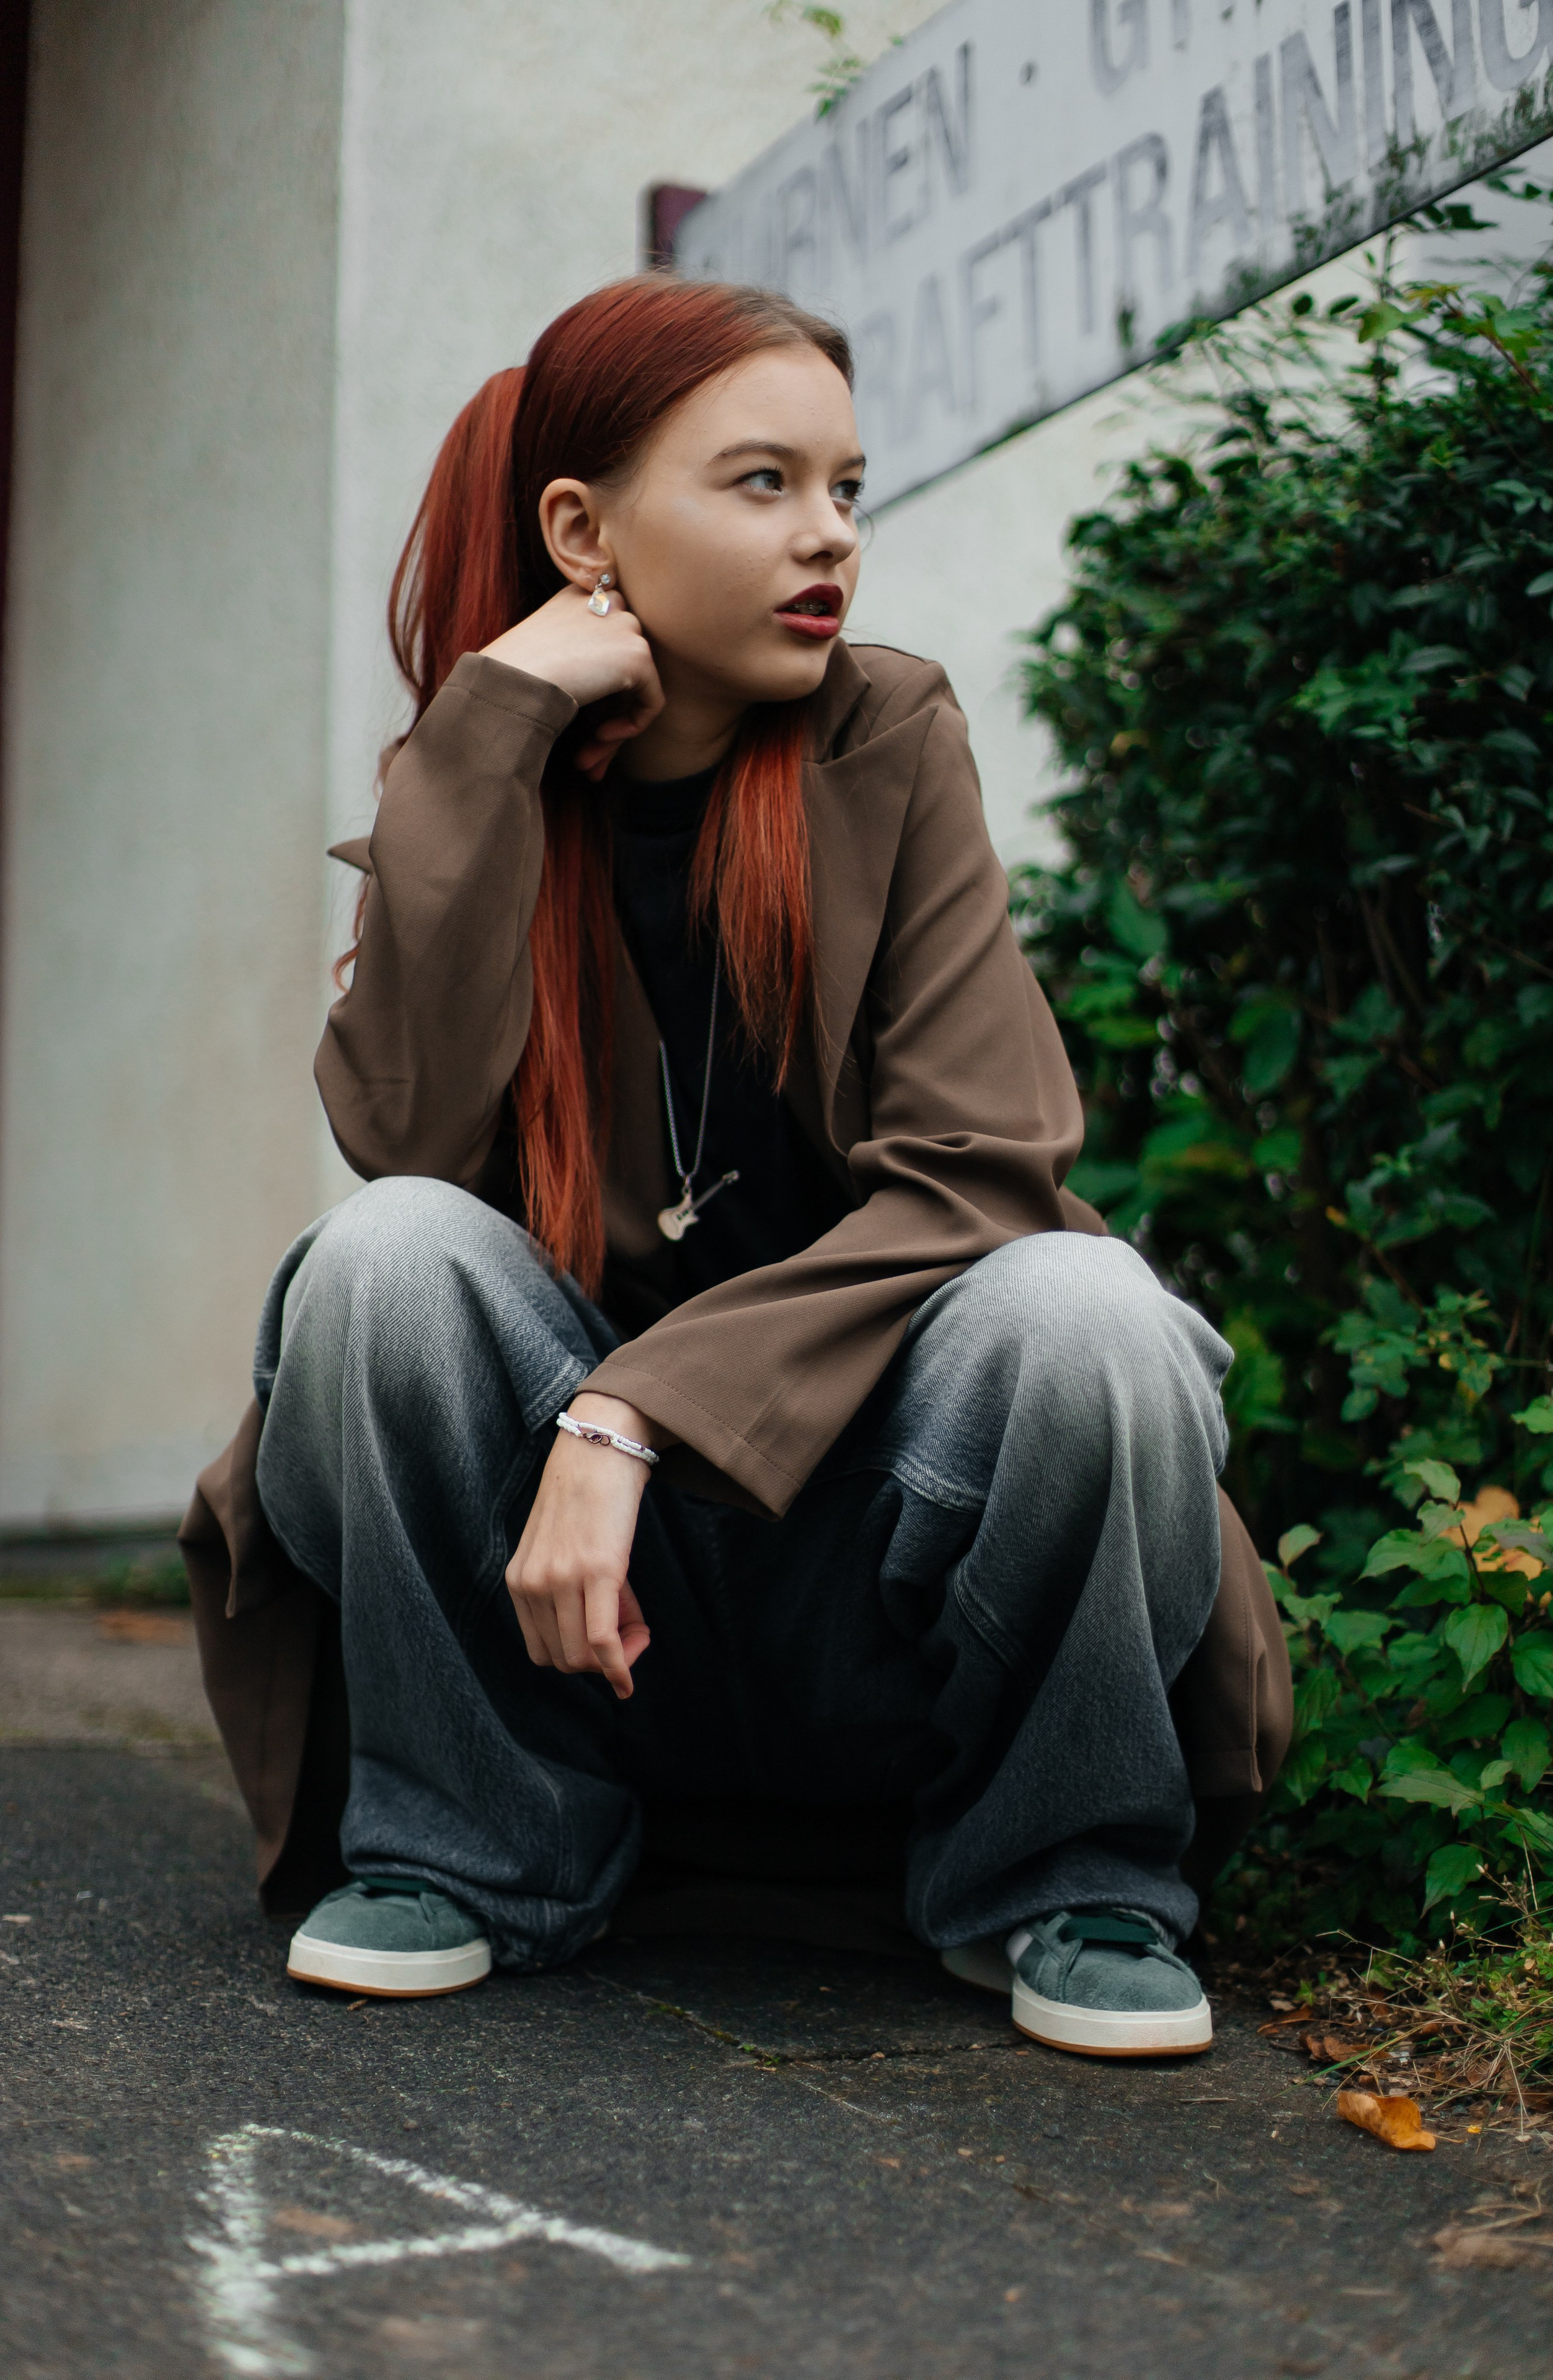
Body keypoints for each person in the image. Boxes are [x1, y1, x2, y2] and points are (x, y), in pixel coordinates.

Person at [181, 275, 1290, 2060]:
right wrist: (485, 732)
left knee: (1086, 1306)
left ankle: (1065, 1876)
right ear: (583, 533)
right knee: (381, 1258)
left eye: (847, 487)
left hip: (872, 1551)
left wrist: (632, 1415)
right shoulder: (480, 788)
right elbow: (402, 1139)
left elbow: (986, 1165)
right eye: (762, 483)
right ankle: (467, 1851)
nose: (827, 535)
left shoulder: (889, 741)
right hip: (585, 1628)